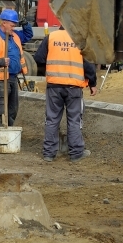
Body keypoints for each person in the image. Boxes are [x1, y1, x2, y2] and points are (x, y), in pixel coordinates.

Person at [33, 27, 97, 163]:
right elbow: (89, 64)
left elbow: (38, 57)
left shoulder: (52, 37)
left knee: (52, 119)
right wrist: (92, 83)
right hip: (74, 87)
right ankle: (76, 153)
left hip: (54, 85)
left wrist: (53, 66)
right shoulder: (81, 39)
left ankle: (49, 154)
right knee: (74, 120)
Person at [0, 9, 33, 127]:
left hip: (12, 77)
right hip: (0, 79)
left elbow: (28, 35)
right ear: (4, 23)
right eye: (12, 25)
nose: (13, 28)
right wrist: (1, 62)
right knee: (1, 108)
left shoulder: (14, 35)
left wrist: (25, 24)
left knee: (12, 109)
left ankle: (8, 133)